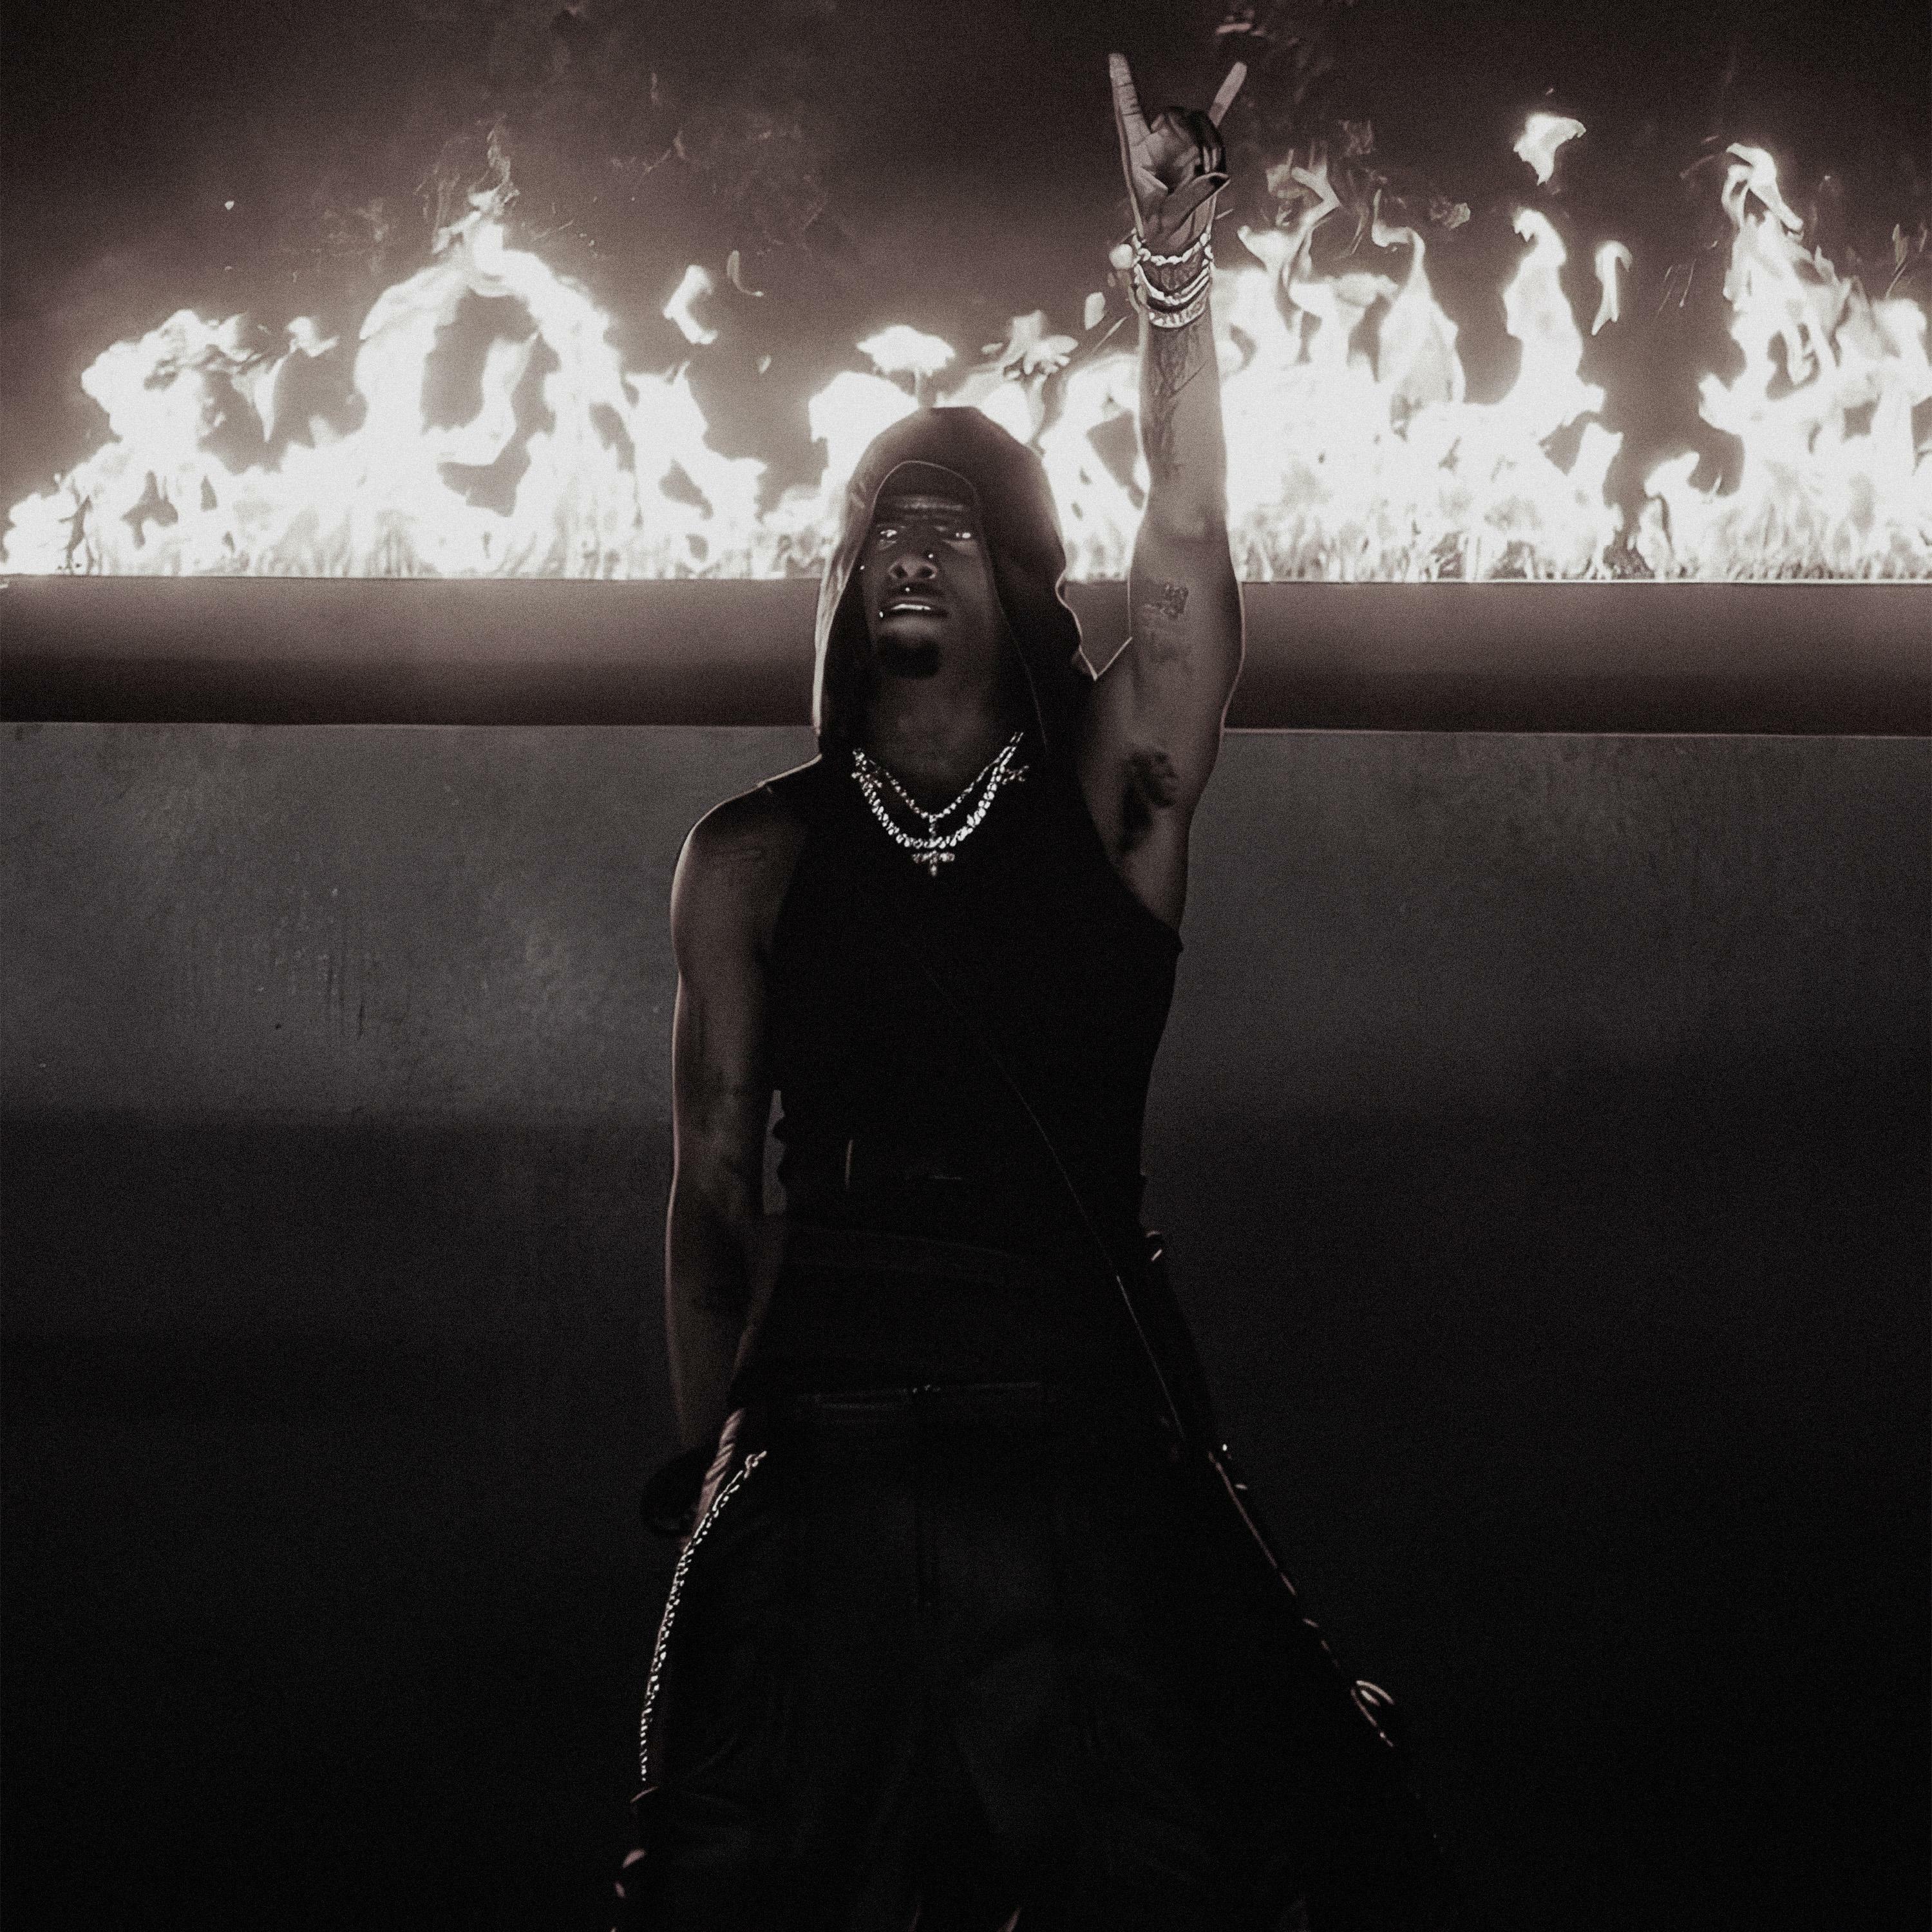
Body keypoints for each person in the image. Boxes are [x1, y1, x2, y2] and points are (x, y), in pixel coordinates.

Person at [614, 54, 1463, 1932]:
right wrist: (718, 1481)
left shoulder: (1111, 795)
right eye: (880, 529)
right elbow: (711, 1198)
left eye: (948, 525)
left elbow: (1187, 548)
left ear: (1014, 579)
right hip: (821, 1446)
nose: (908, 550)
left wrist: (1173, 273)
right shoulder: (748, 855)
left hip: (1068, 1433)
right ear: (843, 587)